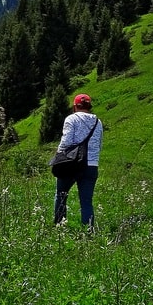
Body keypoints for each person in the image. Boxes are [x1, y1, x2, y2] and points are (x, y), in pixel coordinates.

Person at [54, 93, 104, 228]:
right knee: (86, 202)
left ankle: (60, 227)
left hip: (71, 164)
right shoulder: (97, 122)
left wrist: (58, 157)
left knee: (61, 195)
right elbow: (99, 145)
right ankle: (88, 233)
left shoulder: (71, 119)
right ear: (89, 106)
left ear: (75, 106)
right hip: (91, 165)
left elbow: (66, 142)